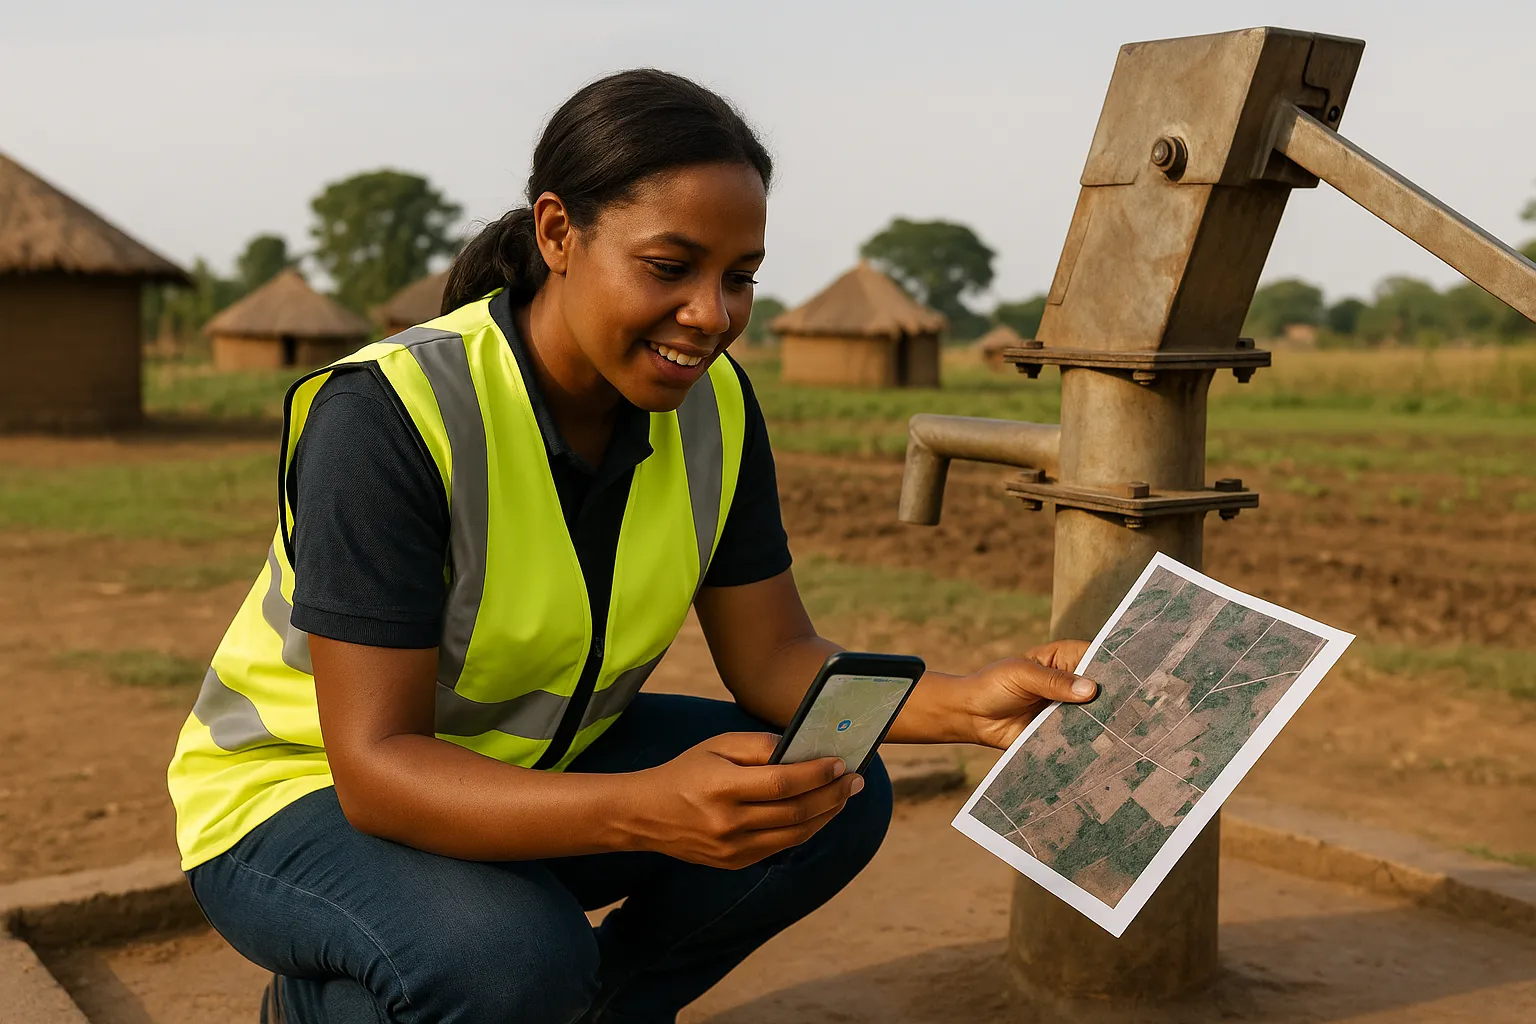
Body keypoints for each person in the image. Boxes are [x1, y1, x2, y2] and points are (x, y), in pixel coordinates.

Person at [166, 69, 1097, 1024]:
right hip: (301, 797)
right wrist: (644, 806)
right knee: (506, 960)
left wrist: (968, 704)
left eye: (739, 278)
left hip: (531, 762)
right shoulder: (390, 415)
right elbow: (377, 767)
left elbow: (774, 656)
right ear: (558, 233)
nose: (712, 314)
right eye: (670, 267)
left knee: (826, 793)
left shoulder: (718, 409)